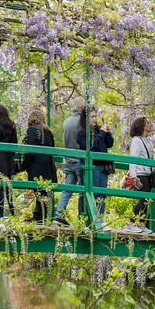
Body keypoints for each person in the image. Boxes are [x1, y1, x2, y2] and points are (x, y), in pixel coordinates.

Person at [54, 96, 86, 225]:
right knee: (83, 191)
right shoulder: (83, 121)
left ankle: (58, 215)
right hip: (79, 160)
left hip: (68, 160)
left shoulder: (66, 122)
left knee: (67, 190)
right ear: (82, 107)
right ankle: (81, 219)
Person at [77, 109, 114, 217]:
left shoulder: (98, 130)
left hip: (103, 166)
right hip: (91, 166)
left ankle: (99, 218)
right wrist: (102, 133)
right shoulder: (82, 132)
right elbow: (93, 146)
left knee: (101, 194)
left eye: (95, 116)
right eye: (91, 117)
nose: (94, 119)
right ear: (85, 119)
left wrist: (107, 133)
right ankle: (85, 219)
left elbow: (109, 144)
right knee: (89, 194)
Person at [22, 108, 57, 223]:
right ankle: (43, 215)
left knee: (38, 190)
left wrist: (24, 164)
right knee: (44, 191)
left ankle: (38, 216)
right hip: (48, 165)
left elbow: (30, 149)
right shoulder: (48, 132)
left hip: (37, 165)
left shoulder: (32, 130)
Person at [126, 116, 155, 234]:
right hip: (141, 174)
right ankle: (130, 223)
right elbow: (133, 159)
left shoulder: (146, 140)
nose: (150, 124)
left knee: (146, 200)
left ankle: (141, 224)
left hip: (148, 173)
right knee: (143, 200)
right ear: (142, 126)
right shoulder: (137, 140)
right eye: (148, 123)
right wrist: (133, 176)